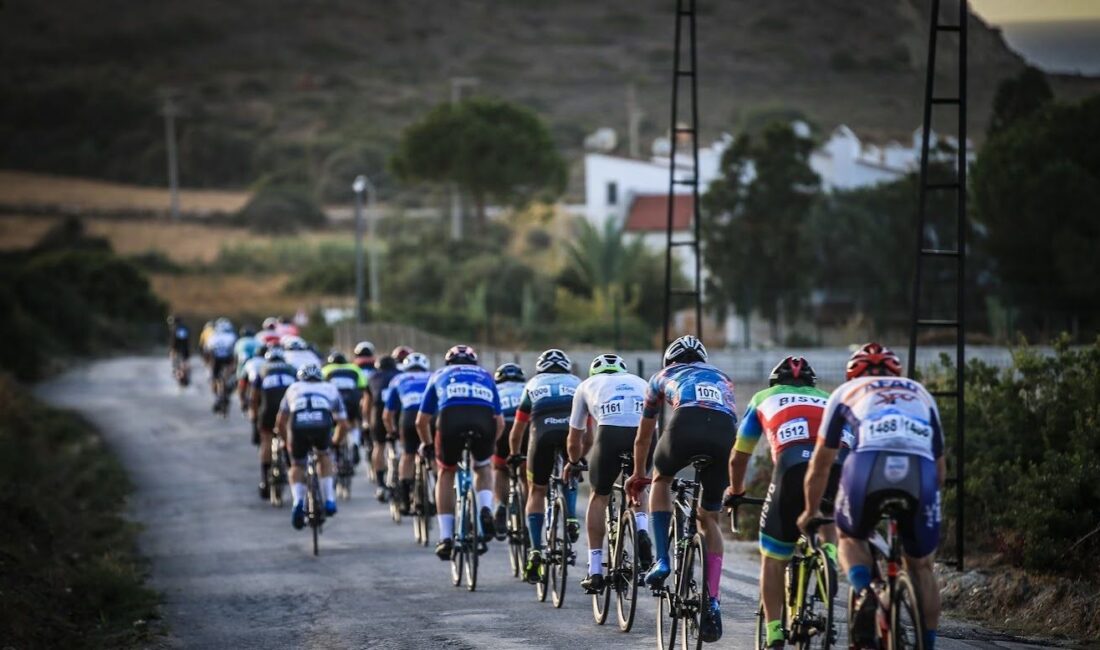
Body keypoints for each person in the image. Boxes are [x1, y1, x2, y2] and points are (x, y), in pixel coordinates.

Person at [798, 343, 944, 650]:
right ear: (897, 372)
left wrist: (810, 511)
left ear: (853, 374)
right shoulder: (920, 393)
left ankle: (864, 593)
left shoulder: (845, 393)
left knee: (849, 537)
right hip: (920, 473)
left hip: (868, 466)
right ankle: (926, 642)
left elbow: (821, 463)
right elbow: (941, 467)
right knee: (921, 566)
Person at [725, 356, 843, 649]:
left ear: (775, 383)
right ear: (811, 384)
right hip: (839, 464)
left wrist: (737, 491)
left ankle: (775, 629)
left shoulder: (762, 397)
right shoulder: (828, 398)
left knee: (773, 557)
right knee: (825, 512)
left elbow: (740, 456)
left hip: (791, 468)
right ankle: (828, 554)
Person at [625, 334, 736, 643]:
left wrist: (638, 474)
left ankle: (662, 560)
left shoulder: (661, 377)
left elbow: (643, 438)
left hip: (684, 426)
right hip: (725, 436)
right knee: (708, 519)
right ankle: (712, 601)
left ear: (669, 361)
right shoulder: (723, 379)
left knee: (661, 479)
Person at [567, 353, 654, 594]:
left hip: (610, 433)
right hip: (645, 434)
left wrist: (574, 462)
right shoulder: (640, 381)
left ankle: (595, 570)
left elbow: (575, 437)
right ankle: (642, 530)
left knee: (599, 494)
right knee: (639, 484)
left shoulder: (586, 385)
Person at [416, 345, 503, 561]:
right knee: (483, 468)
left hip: (450, 419)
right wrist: (490, 445)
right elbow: (499, 422)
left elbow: (421, 421)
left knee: (446, 473)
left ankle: (446, 537)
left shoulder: (439, 374)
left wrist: (427, 444)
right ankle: (484, 509)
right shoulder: (485, 375)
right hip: (483, 421)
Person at [507, 348, 580, 583]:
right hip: (570, 433)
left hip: (542, 435)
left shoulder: (532, 384)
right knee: (572, 469)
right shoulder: (577, 383)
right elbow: (587, 429)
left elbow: (517, 431)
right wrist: (580, 456)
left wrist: (514, 455)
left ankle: (536, 549)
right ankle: (570, 519)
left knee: (537, 490)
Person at [275, 363, 349, 529]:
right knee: (324, 456)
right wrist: (335, 443)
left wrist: (287, 441)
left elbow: (281, 421)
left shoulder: (293, 388)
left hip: (298, 426)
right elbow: (343, 424)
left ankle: (297, 503)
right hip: (321, 425)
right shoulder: (330, 388)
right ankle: (329, 499)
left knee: (297, 464)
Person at [383, 352, 432, 514]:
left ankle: (404, 497)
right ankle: (436, 488)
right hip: (430, 418)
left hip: (409, 418)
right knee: (435, 455)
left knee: (408, 455)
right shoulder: (433, 376)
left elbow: (387, 415)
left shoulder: (398, 379)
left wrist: (392, 432)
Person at [251, 347, 296, 499]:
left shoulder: (262, 369)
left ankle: (265, 479)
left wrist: (255, 417)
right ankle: (292, 466)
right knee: (289, 436)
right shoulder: (291, 369)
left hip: (268, 410)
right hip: (287, 410)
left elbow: (254, 397)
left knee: (266, 441)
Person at [490, 362, 526, 536]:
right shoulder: (527, 387)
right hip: (525, 427)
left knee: (500, 468)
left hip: (503, 426)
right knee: (526, 473)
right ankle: (527, 514)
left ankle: (502, 506)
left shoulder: (494, 390)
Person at [364, 355, 401, 501]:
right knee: (405, 446)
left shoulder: (373, 377)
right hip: (397, 412)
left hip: (378, 412)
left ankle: (380, 484)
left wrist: (366, 421)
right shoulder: (400, 375)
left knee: (378, 446)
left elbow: (367, 403)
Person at [322, 351, 368, 466]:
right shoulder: (354, 368)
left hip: (334, 401)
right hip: (352, 399)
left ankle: (335, 446)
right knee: (353, 421)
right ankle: (355, 443)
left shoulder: (326, 369)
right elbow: (363, 386)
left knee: (334, 423)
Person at [238, 344, 268, 445]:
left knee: (253, 404)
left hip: (253, 388)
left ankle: (254, 426)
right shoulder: (268, 362)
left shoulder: (250, 362)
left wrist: (242, 399)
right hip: (266, 390)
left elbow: (242, 381)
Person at [204, 319, 237, 408]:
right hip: (228, 359)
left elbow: (207, 351)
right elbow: (235, 351)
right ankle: (226, 388)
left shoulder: (213, 337)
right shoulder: (232, 336)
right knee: (228, 377)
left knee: (215, 379)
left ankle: (218, 396)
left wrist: (208, 363)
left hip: (216, 360)